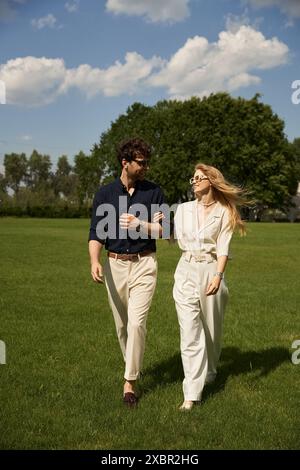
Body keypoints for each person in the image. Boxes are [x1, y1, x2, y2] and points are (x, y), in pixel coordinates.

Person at [88, 138, 165, 407]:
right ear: (126, 163)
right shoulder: (105, 194)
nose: (146, 167)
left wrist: (139, 224)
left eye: (147, 162)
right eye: (141, 162)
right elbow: (96, 233)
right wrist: (94, 261)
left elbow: (165, 232)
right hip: (114, 265)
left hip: (145, 264)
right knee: (122, 326)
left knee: (136, 323)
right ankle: (133, 364)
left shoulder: (155, 193)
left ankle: (129, 384)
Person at [173, 163, 248, 411]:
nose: (193, 181)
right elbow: (170, 236)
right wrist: (147, 225)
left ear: (211, 182)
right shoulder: (182, 210)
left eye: (199, 178)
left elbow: (223, 248)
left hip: (210, 270)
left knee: (212, 330)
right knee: (190, 332)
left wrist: (218, 275)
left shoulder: (225, 211)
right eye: (192, 177)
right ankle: (192, 394)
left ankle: (212, 370)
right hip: (185, 271)